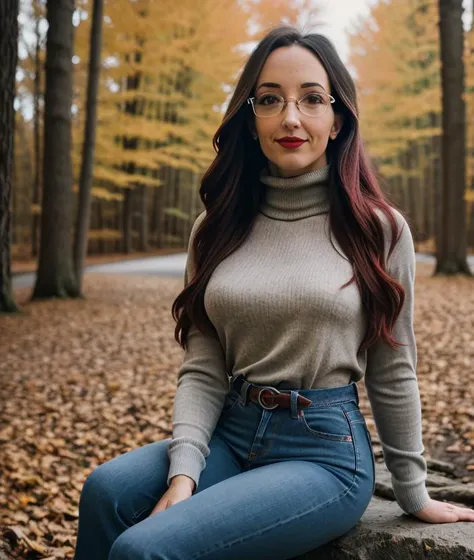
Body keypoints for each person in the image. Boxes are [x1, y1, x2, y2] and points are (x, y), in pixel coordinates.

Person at [73, 25, 474, 560]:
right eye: (270, 99)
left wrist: (413, 489)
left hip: (325, 454)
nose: (290, 117)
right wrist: (185, 473)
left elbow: (393, 366)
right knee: (104, 491)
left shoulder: (378, 228)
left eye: (312, 99)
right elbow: (203, 361)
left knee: (144, 550)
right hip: (232, 432)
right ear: (251, 117)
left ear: (337, 120)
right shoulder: (215, 228)